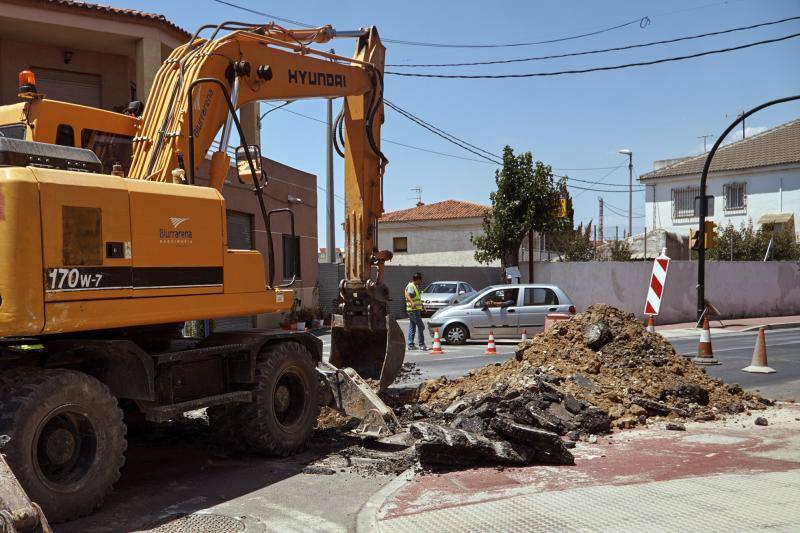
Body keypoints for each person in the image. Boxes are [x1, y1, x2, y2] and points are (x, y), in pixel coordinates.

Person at [405, 272, 428, 351]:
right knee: (421, 326)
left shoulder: (415, 286)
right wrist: (412, 302)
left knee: (412, 327)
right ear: (417, 279)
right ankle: (421, 344)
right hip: (413, 310)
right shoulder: (411, 286)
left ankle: (411, 344)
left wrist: (423, 307)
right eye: (420, 280)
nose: (421, 281)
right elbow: (407, 295)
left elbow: (418, 298)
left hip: (415, 310)